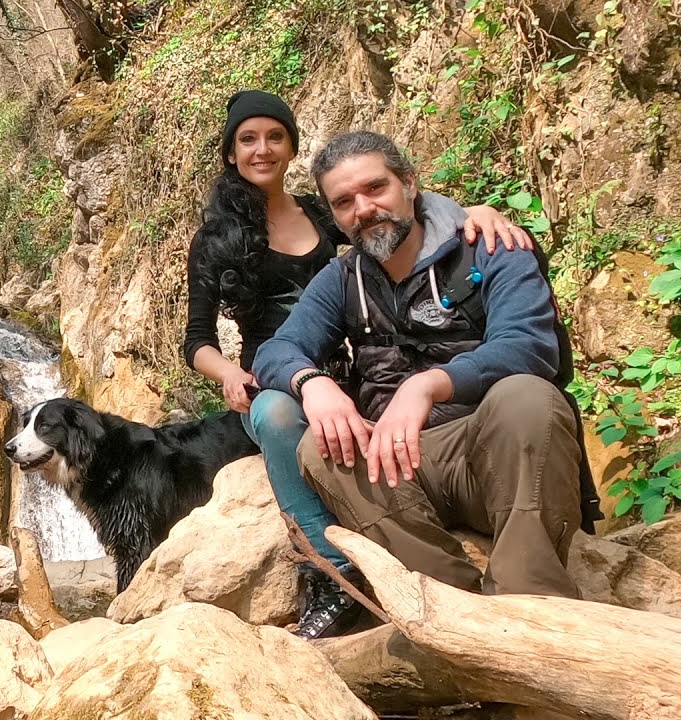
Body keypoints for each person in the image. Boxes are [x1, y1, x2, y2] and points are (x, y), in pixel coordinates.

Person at [184, 91, 530, 639]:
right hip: (271, 375)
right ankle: (330, 569)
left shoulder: (326, 210)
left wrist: (469, 214)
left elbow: (390, 215)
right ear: (230, 153)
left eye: (275, 136)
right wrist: (230, 374)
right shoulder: (216, 238)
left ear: (292, 146)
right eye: (247, 139)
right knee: (277, 414)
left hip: (348, 367)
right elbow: (197, 340)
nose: (263, 149)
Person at [253, 130, 596, 600]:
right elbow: (275, 351)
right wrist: (312, 383)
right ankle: (444, 599)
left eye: (376, 188)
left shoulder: (492, 248)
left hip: (493, 453)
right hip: (400, 473)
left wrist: (428, 385)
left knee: (528, 396)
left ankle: (527, 597)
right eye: (344, 202)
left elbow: (530, 346)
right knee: (320, 445)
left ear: (410, 184)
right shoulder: (343, 277)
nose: (364, 209)